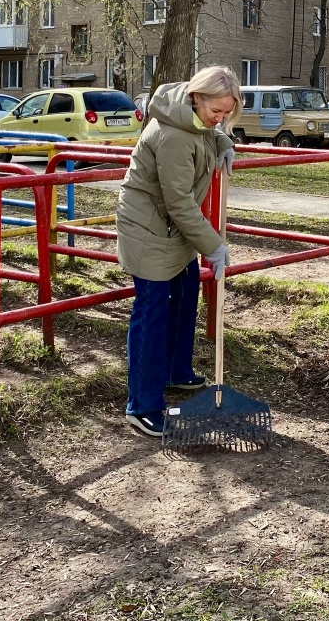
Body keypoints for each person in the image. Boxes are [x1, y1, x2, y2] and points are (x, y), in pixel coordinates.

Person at [115, 66, 240, 437]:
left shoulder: (193, 119)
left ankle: (175, 370)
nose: (219, 119)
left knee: (185, 294)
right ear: (197, 97)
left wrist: (223, 142)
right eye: (216, 111)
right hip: (149, 228)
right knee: (152, 311)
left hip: (172, 228)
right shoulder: (172, 136)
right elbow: (180, 203)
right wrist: (213, 245)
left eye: (226, 113)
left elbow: (206, 131)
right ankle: (143, 405)